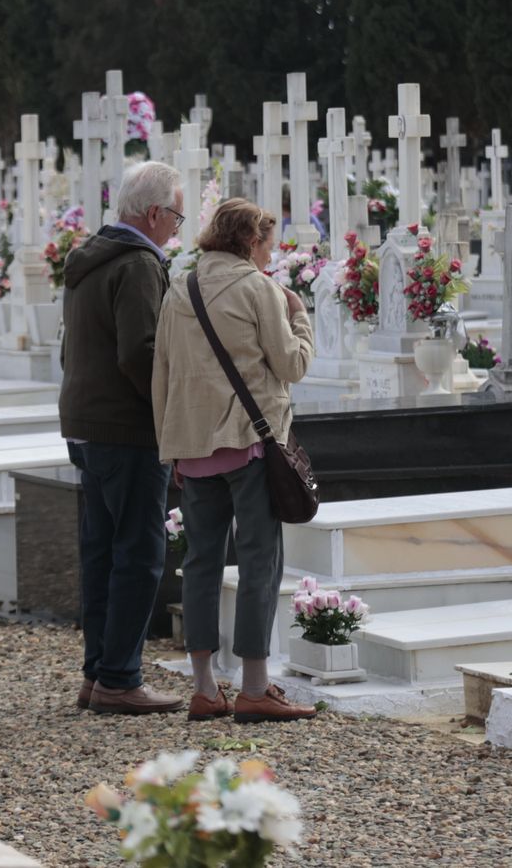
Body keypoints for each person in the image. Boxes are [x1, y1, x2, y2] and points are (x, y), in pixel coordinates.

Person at [153, 199, 316, 723]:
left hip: (193, 445)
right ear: (250, 242)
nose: (269, 255)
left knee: (200, 562)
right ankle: (254, 686)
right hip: (249, 441)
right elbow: (291, 365)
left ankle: (203, 688)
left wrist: (170, 445)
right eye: (267, 245)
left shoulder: (180, 287)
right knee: (258, 561)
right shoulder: (260, 288)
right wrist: (300, 316)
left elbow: (162, 373)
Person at [60, 160, 186, 715]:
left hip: (87, 421)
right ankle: (120, 677)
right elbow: (141, 352)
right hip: (127, 427)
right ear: (155, 213)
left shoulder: (92, 257)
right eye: (177, 217)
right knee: (138, 552)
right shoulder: (137, 264)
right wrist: (172, 419)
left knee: (102, 549)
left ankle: (99, 673)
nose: (178, 229)